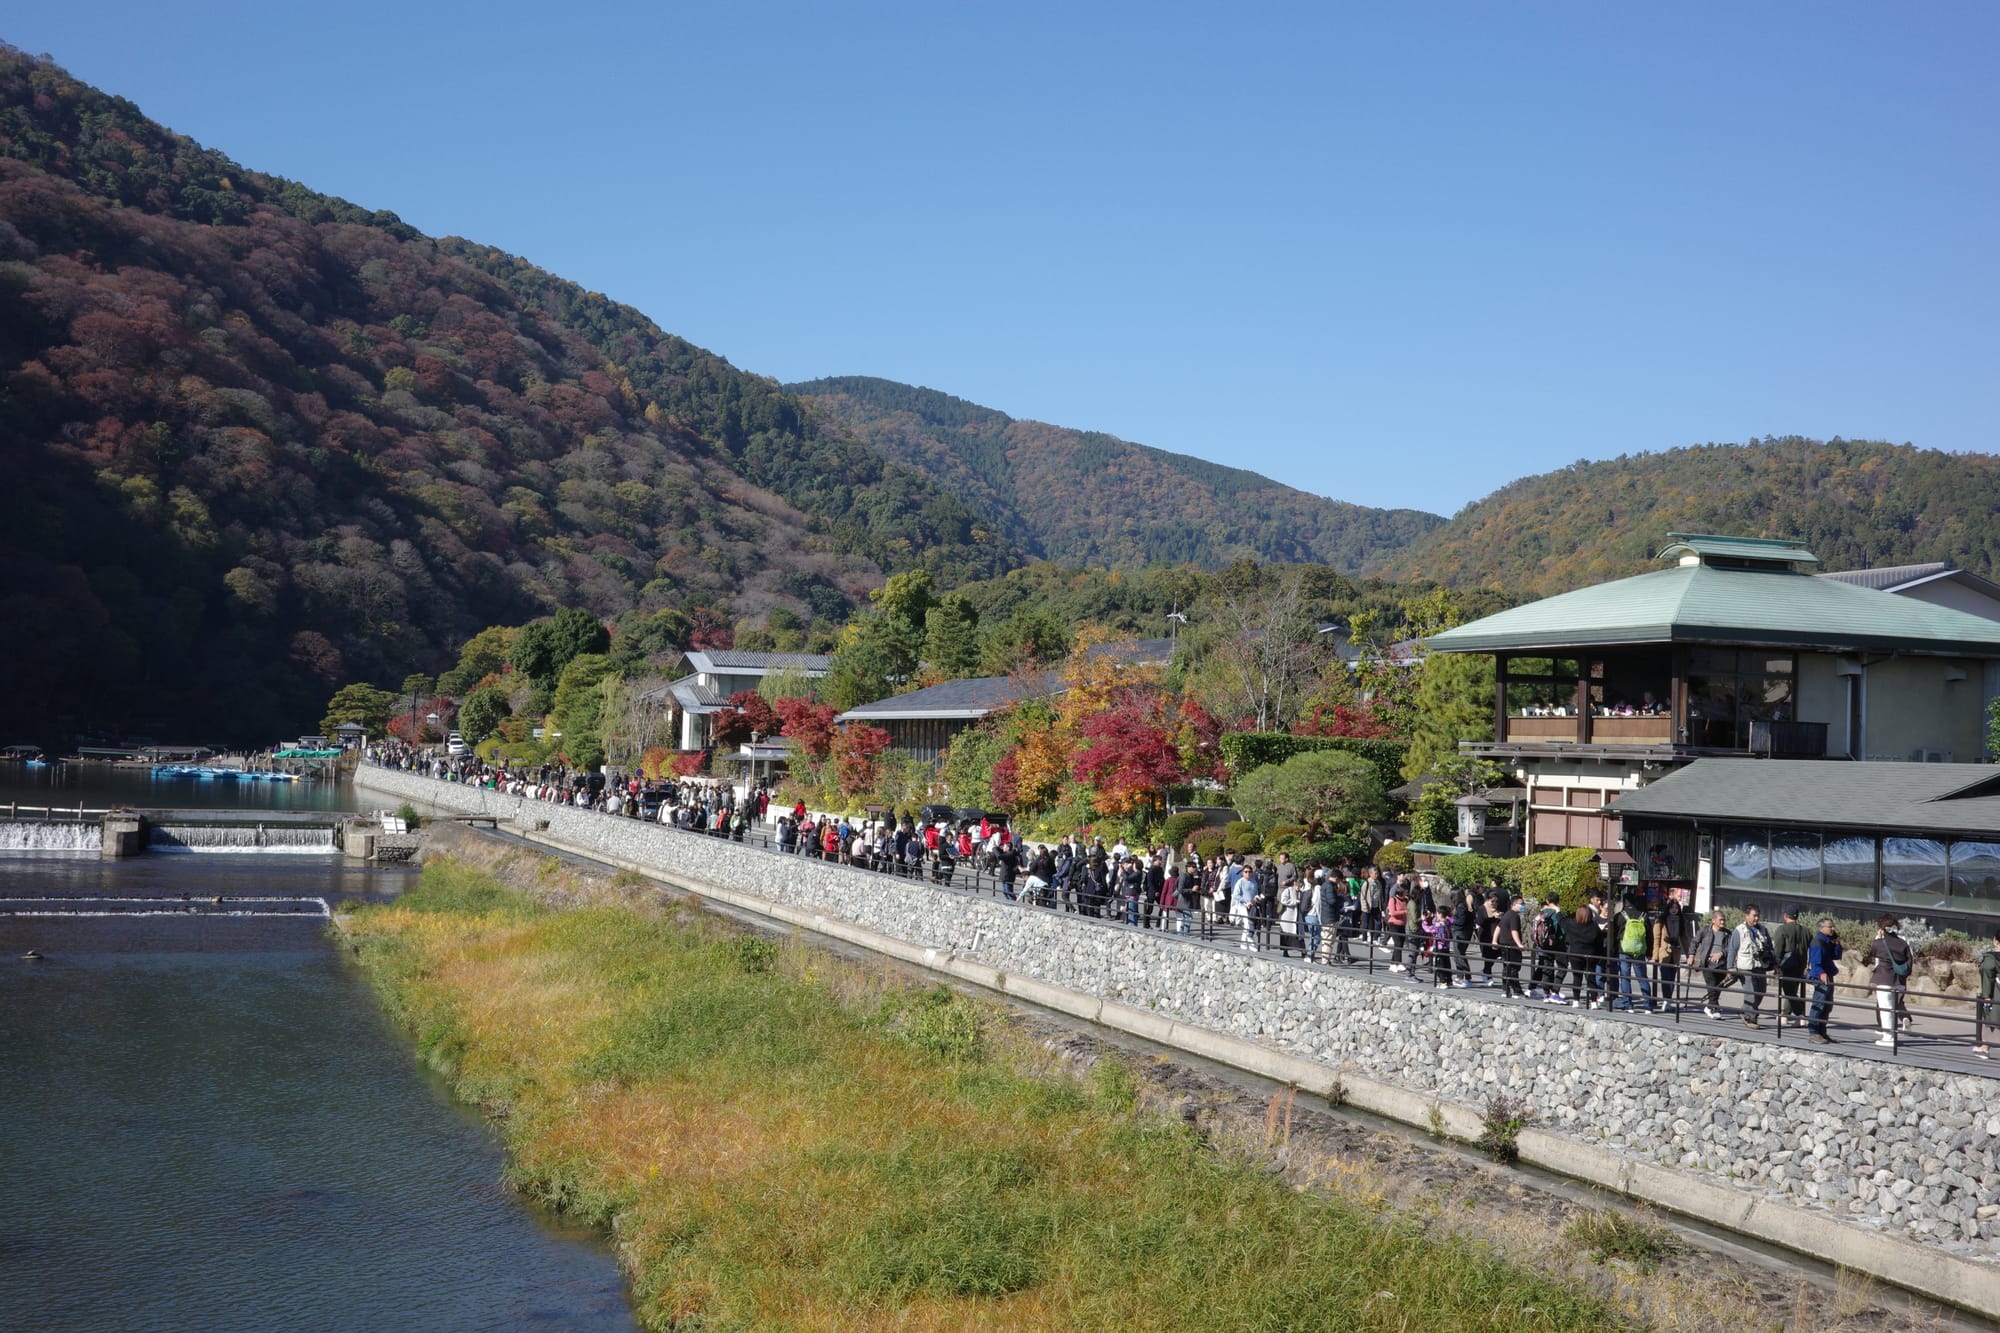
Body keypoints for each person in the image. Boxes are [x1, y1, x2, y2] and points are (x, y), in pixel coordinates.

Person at [1868, 916, 1914, 1048]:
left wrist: (1878, 937)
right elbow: (1909, 962)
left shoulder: (1878, 943)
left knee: (1885, 1009)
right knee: (1894, 1008)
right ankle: (1892, 1035)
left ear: (1882, 929)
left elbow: (1872, 953)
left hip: (1884, 979)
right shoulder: (1902, 944)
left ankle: (1888, 1037)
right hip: (1899, 981)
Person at [1729, 906, 1777, 1026]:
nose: (1756, 918)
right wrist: (1730, 967)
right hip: (1745, 967)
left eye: (1758, 915)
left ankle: (1746, 1011)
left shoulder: (1763, 930)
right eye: (1754, 915)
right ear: (1746, 915)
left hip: (1760, 966)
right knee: (1751, 993)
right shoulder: (1739, 930)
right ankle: (1750, 1017)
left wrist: (1775, 964)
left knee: (1761, 992)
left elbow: (1770, 949)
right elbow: (1732, 949)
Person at [1770, 906, 1813, 1027]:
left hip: (1787, 964)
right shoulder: (1805, 930)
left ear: (1785, 916)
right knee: (1792, 989)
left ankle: (1800, 1015)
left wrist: (1776, 965)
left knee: (1788, 991)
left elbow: (1778, 949)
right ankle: (1785, 1014)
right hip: (1801, 964)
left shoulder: (1782, 929)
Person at [1805, 917, 1844, 1044]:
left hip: (1828, 975)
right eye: (1830, 927)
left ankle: (1822, 1031)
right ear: (1821, 928)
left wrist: (1837, 944)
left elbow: (1836, 956)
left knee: (1827, 1005)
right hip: (1821, 977)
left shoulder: (1827, 941)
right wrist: (1821, 973)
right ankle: (1813, 1032)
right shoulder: (1817, 942)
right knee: (1819, 1003)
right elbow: (1815, 963)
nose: (1833, 929)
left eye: (1833, 926)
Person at [1690, 910, 1732, 1019]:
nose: (1723, 922)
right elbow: (1695, 942)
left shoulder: (1727, 933)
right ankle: (1714, 1009)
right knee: (1712, 984)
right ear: (1714, 921)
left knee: (1718, 987)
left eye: (1724, 920)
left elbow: (1731, 948)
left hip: (1722, 964)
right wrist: (1691, 955)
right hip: (1707, 964)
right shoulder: (1705, 930)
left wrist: (1721, 953)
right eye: (1720, 920)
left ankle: (1710, 1006)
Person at [1567, 905, 1605, 1007]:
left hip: (1575, 954)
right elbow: (1600, 943)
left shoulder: (1572, 924)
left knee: (1577, 978)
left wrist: (1557, 911)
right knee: (1591, 978)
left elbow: (1562, 921)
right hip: (1590, 955)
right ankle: (1593, 1002)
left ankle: (1576, 1001)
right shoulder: (1594, 927)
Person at [1973, 926, 2000, 1059]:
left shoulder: (1991, 959)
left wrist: (1986, 996)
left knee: (1990, 1018)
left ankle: (1984, 1048)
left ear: (1995, 941)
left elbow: (1987, 977)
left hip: (1996, 993)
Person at [1496, 895, 1526, 997]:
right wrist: (1519, 944)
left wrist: (1494, 940)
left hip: (1503, 944)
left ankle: (1505, 989)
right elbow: (1514, 931)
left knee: (1506, 968)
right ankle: (1516, 991)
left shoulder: (1506, 915)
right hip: (1512, 945)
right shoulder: (1514, 916)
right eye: (1521, 904)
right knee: (1514, 968)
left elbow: (1498, 927)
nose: (1523, 906)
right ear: (1514, 904)